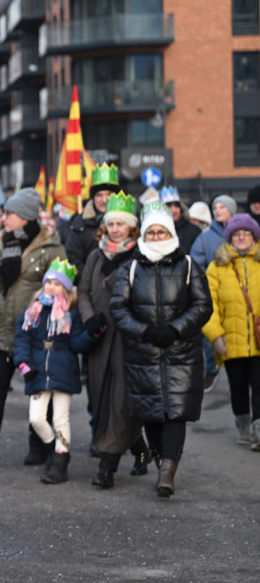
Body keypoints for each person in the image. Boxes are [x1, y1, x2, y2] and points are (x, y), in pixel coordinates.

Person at [110, 203, 212, 499]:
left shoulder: (189, 265)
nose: (156, 236)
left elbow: (203, 305)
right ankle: (161, 463)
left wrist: (175, 329)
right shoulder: (129, 268)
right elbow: (118, 307)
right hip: (143, 353)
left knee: (175, 413)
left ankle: (167, 471)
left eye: (161, 231)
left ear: (171, 233)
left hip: (181, 353)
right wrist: (145, 331)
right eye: (151, 232)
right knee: (151, 414)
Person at [0, 187, 65, 467]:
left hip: (34, 334)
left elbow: (60, 290)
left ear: (26, 217)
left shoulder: (50, 247)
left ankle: (39, 445)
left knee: (37, 389)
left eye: (10, 214)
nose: (4, 218)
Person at [77, 192, 151, 488]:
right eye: (111, 224)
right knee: (99, 399)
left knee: (119, 401)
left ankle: (107, 468)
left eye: (121, 224)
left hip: (127, 340)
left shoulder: (139, 256)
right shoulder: (96, 255)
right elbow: (82, 291)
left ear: (132, 227)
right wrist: (88, 318)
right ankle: (141, 449)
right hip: (99, 338)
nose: (115, 229)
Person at [14, 259, 99, 484]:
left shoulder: (71, 314)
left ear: (66, 289)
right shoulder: (32, 311)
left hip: (64, 371)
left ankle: (60, 462)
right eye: (48, 282)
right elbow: (22, 340)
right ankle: (54, 448)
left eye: (57, 284)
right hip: (37, 371)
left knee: (61, 418)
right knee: (36, 418)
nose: (51, 287)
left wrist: (93, 334)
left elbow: (77, 343)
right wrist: (23, 364)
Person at [202, 213, 260, 449]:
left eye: (246, 233)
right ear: (230, 238)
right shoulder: (217, 267)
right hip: (230, 340)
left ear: (254, 236)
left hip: (258, 341)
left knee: (259, 386)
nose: (242, 237)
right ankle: (243, 425)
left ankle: (258, 429)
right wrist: (215, 335)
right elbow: (208, 305)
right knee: (237, 386)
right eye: (237, 234)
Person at [190, 195, 237, 385]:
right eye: (215, 207)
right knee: (209, 333)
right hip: (211, 293)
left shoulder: (241, 234)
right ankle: (211, 368)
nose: (217, 210)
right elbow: (195, 265)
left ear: (231, 211)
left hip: (237, 295)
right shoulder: (205, 237)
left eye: (222, 207)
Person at [65, 163, 119, 276]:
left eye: (109, 194)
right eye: (99, 195)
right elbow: (72, 257)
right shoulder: (79, 224)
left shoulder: (131, 222)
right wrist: (89, 279)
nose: (104, 200)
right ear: (93, 197)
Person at [161, 185, 202, 252]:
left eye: (176, 206)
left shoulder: (194, 230)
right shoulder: (157, 232)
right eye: (169, 207)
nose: (173, 210)